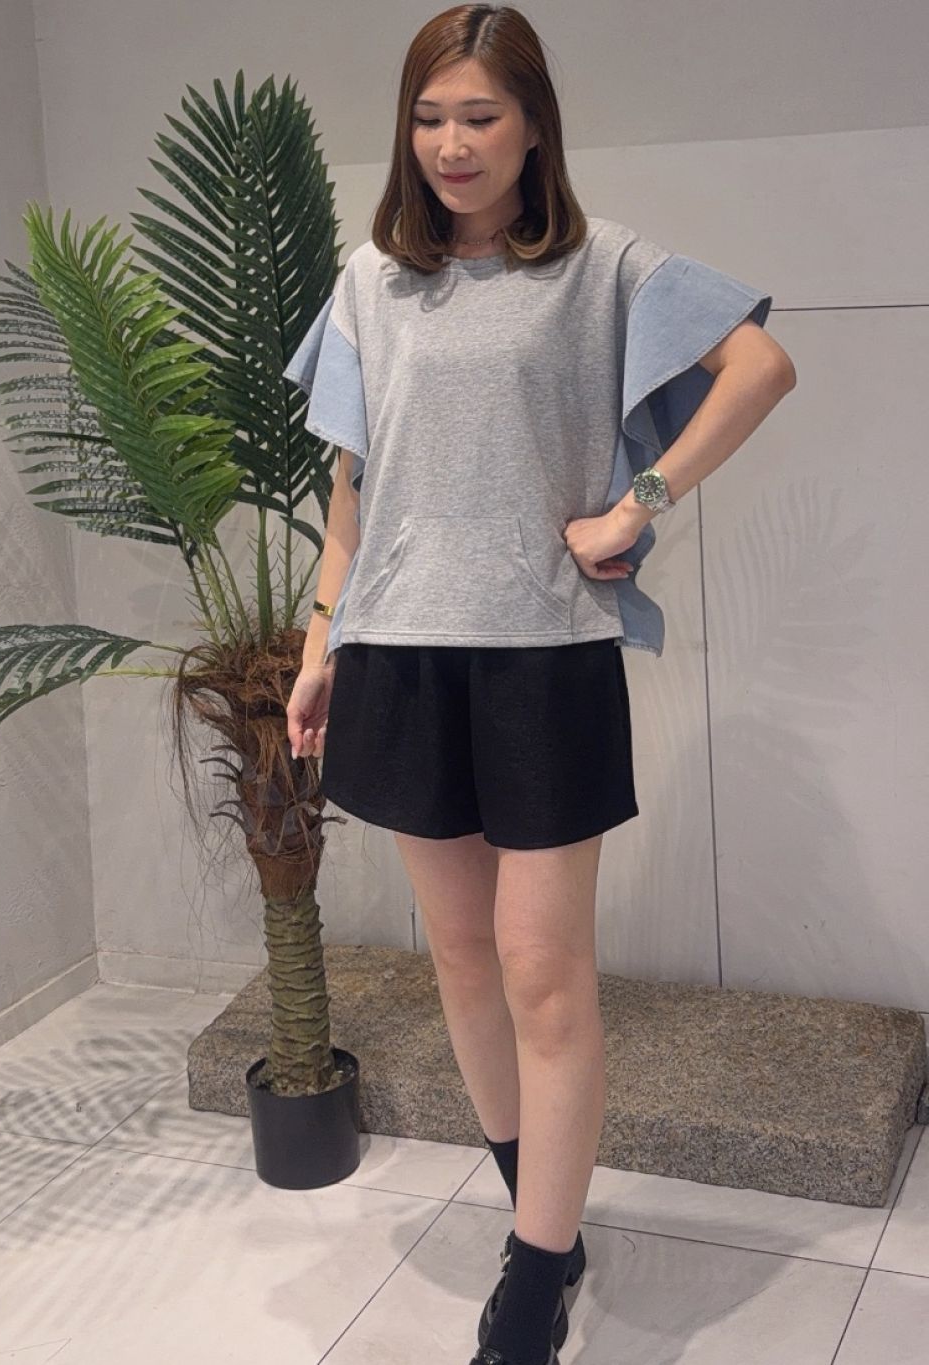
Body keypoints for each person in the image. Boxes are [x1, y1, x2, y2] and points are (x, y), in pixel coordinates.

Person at [284, 7, 796, 1363]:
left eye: (481, 116)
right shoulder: (369, 282)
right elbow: (351, 495)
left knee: (544, 974)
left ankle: (533, 1276)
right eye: (429, 118)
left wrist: (637, 505)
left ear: (532, 128)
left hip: (544, 662)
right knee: (460, 956)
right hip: (400, 653)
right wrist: (320, 643)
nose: (452, 144)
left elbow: (759, 366)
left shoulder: (601, 266)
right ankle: (544, 1219)